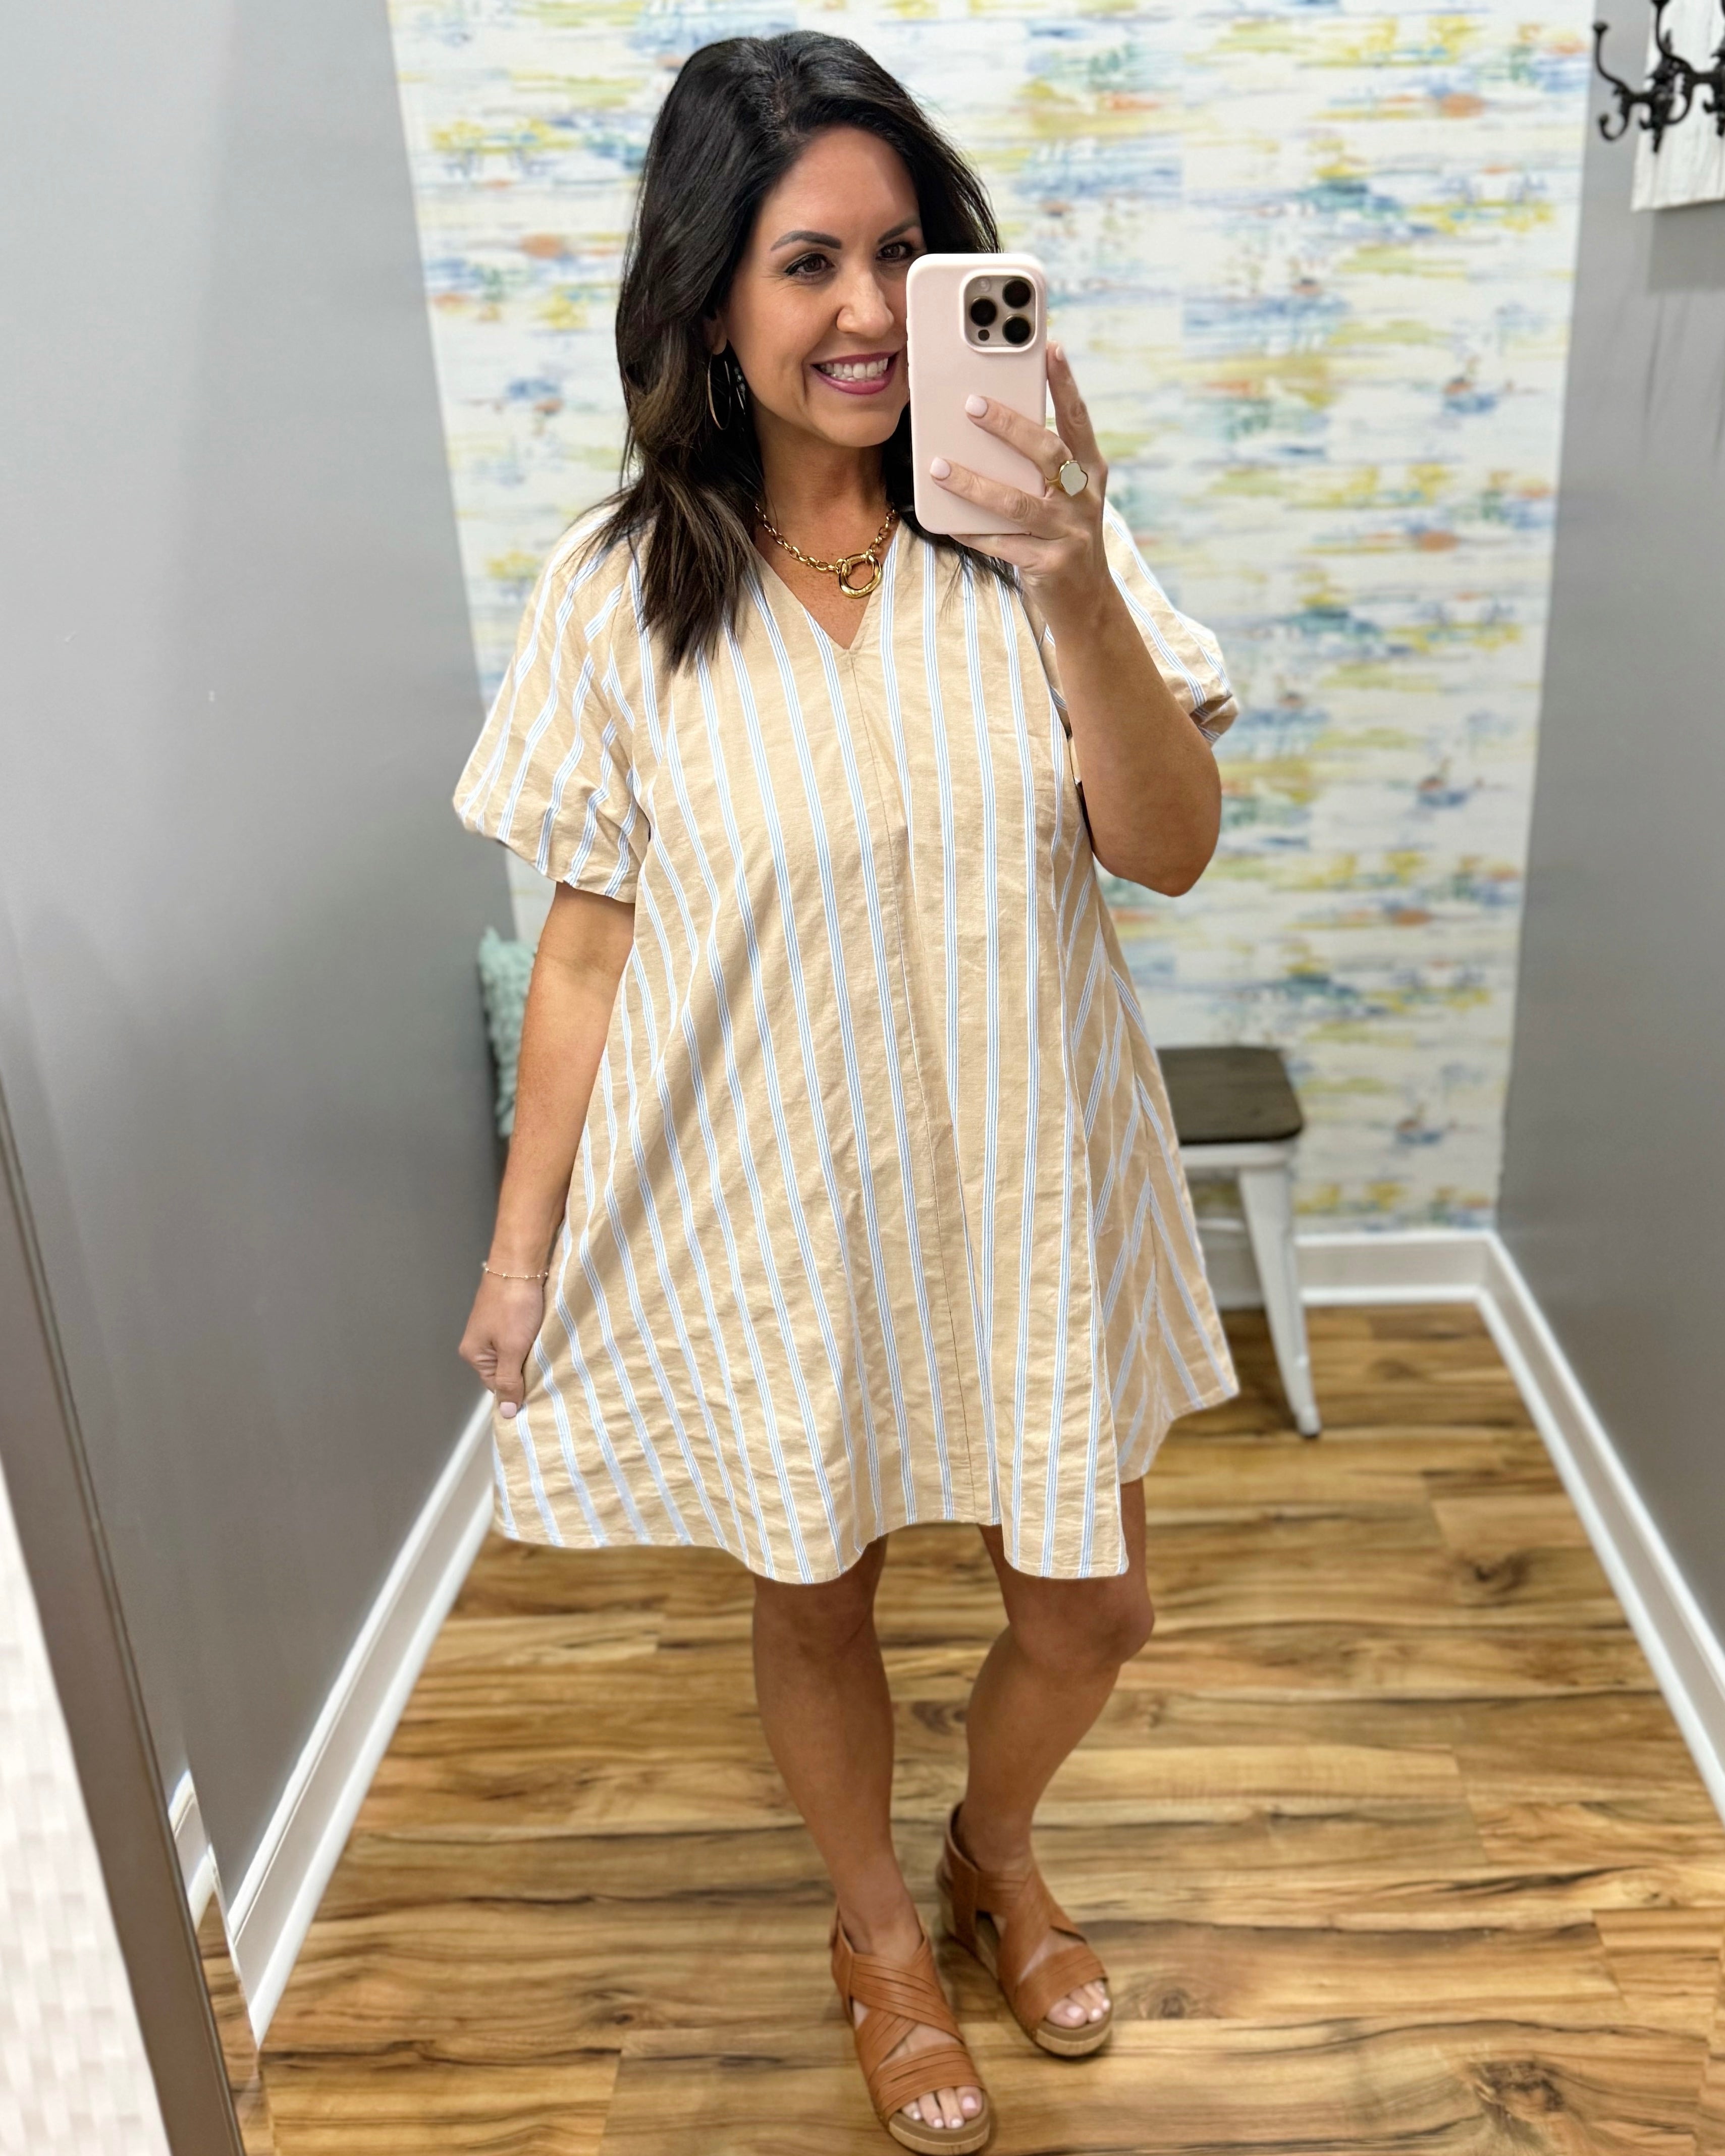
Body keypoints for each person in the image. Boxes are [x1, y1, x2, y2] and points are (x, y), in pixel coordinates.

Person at [453, 29, 1238, 2152]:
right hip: (767, 1206)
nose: (870, 314)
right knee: (818, 1588)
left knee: (1092, 1601)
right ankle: (883, 1931)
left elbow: (1167, 844)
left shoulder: (1042, 545)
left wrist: (1071, 572)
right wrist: (520, 1251)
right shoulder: (616, 602)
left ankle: (995, 1845)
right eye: (809, 262)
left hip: (1031, 1182)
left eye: (907, 257)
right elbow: (589, 949)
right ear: (712, 296)